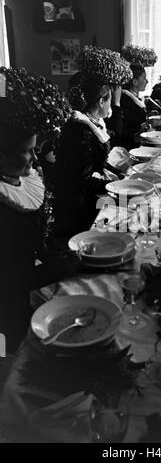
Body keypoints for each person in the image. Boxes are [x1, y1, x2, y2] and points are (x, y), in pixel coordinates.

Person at [0, 67, 80, 353]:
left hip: (32, 288)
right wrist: (56, 268)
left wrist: (58, 254)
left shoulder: (21, 177)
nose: (35, 158)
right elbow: (7, 280)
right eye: (29, 150)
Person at [53, 47, 133, 240]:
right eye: (109, 101)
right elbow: (83, 180)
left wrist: (119, 174)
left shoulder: (94, 122)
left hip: (89, 192)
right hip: (79, 206)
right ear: (100, 101)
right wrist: (115, 184)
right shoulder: (81, 130)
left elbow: (99, 159)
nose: (111, 105)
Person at [120, 63, 148, 150]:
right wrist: (144, 125)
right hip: (130, 147)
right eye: (144, 78)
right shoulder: (125, 100)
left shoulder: (134, 98)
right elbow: (125, 130)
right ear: (135, 82)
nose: (147, 81)